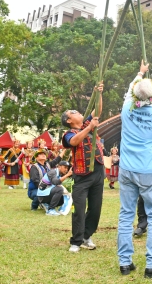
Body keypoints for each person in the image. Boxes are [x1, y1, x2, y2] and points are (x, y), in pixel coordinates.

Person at [116, 62, 152, 278]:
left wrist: (140, 73)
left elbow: (129, 91)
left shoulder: (126, 108)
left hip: (126, 169)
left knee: (126, 214)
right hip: (148, 171)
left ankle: (124, 262)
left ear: (134, 94)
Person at [62, 82, 104, 253]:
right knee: (78, 209)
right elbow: (74, 142)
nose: (78, 112)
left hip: (98, 171)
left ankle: (86, 236)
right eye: (73, 112)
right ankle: (76, 241)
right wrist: (90, 128)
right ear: (69, 120)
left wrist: (98, 94)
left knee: (95, 208)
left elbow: (98, 110)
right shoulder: (68, 134)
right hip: (81, 175)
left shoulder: (87, 123)